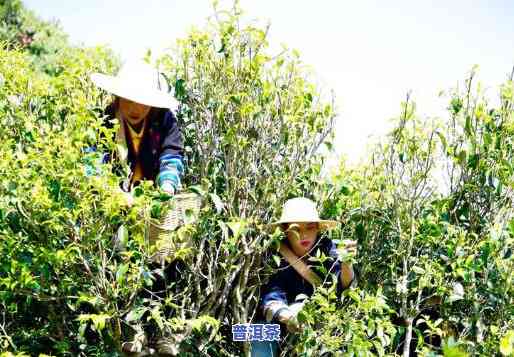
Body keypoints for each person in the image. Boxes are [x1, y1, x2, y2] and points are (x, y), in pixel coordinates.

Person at [251, 197, 357, 357]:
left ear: (317, 228)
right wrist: (288, 316)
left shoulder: (328, 248)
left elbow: (342, 288)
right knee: (255, 334)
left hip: (315, 326)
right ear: (286, 230)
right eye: (296, 229)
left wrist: (347, 263)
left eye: (310, 227)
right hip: (279, 321)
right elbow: (272, 294)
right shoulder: (276, 255)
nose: (304, 235)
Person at [89, 60, 184, 200]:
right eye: (129, 100)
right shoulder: (104, 120)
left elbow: (171, 156)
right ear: (118, 97)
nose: (136, 109)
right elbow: (92, 162)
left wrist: (167, 186)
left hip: (152, 201)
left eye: (143, 102)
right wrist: (111, 192)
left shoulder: (164, 119)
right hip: (111, 202)